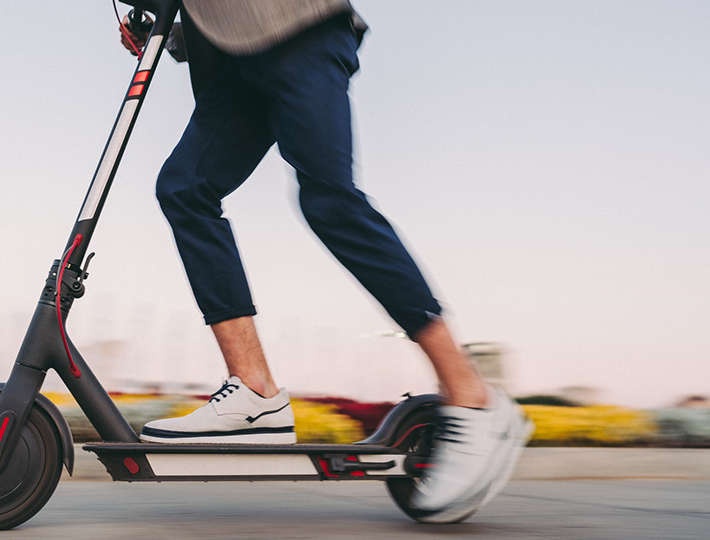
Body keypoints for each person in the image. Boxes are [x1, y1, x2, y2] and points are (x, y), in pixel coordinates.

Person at [119, 0, 532, 514]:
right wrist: (173, 32)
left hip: (298, 31)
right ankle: (254, 392)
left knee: (330, 201)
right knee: (184, 188)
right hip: (234, 60)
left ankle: (472, 395)